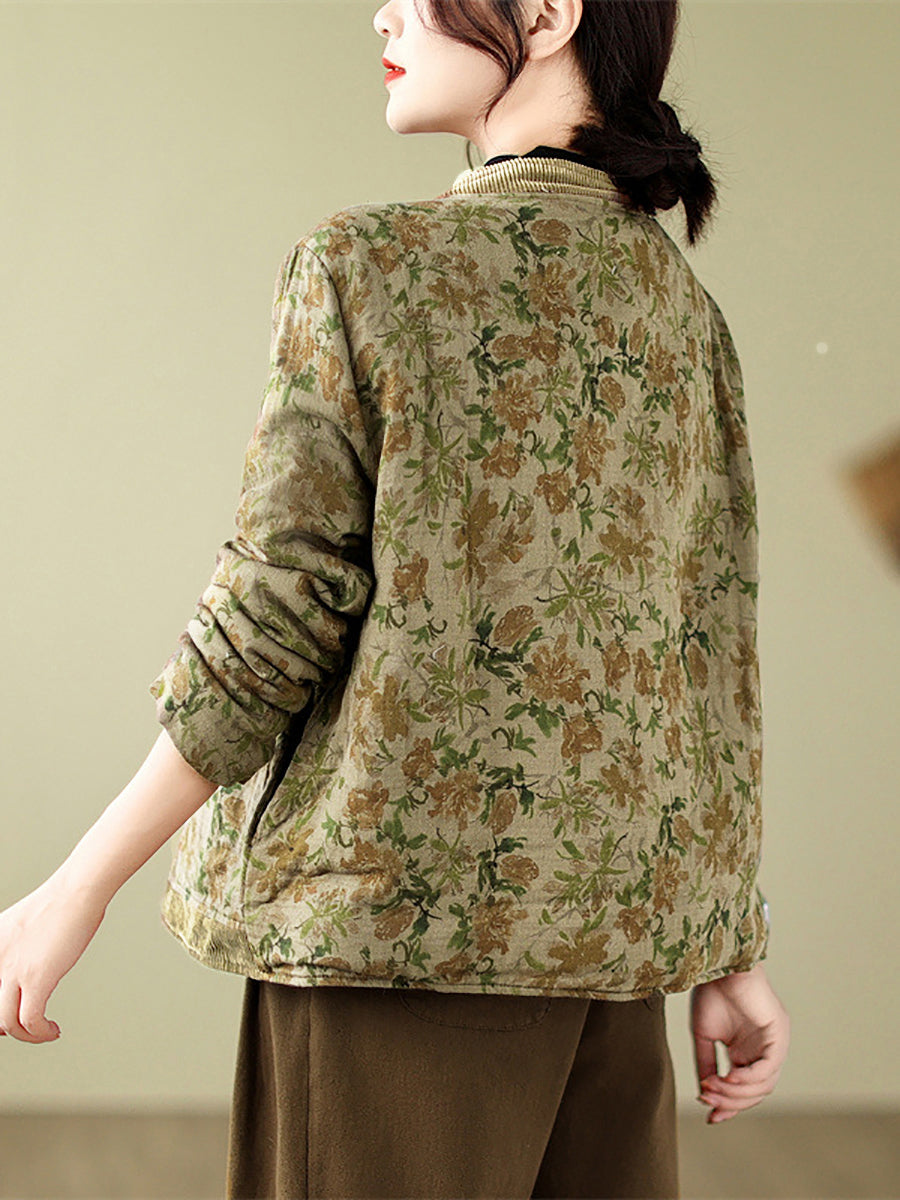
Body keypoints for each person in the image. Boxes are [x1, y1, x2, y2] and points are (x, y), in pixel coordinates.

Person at [0, 0, 791, 1196]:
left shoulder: (370, 265)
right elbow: (707, 647)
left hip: (391, 954)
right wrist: (728, 943)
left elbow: (275, 616)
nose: (382, 11)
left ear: (547, 13)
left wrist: (77, 886)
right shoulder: (680, 307)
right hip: (614, 959)